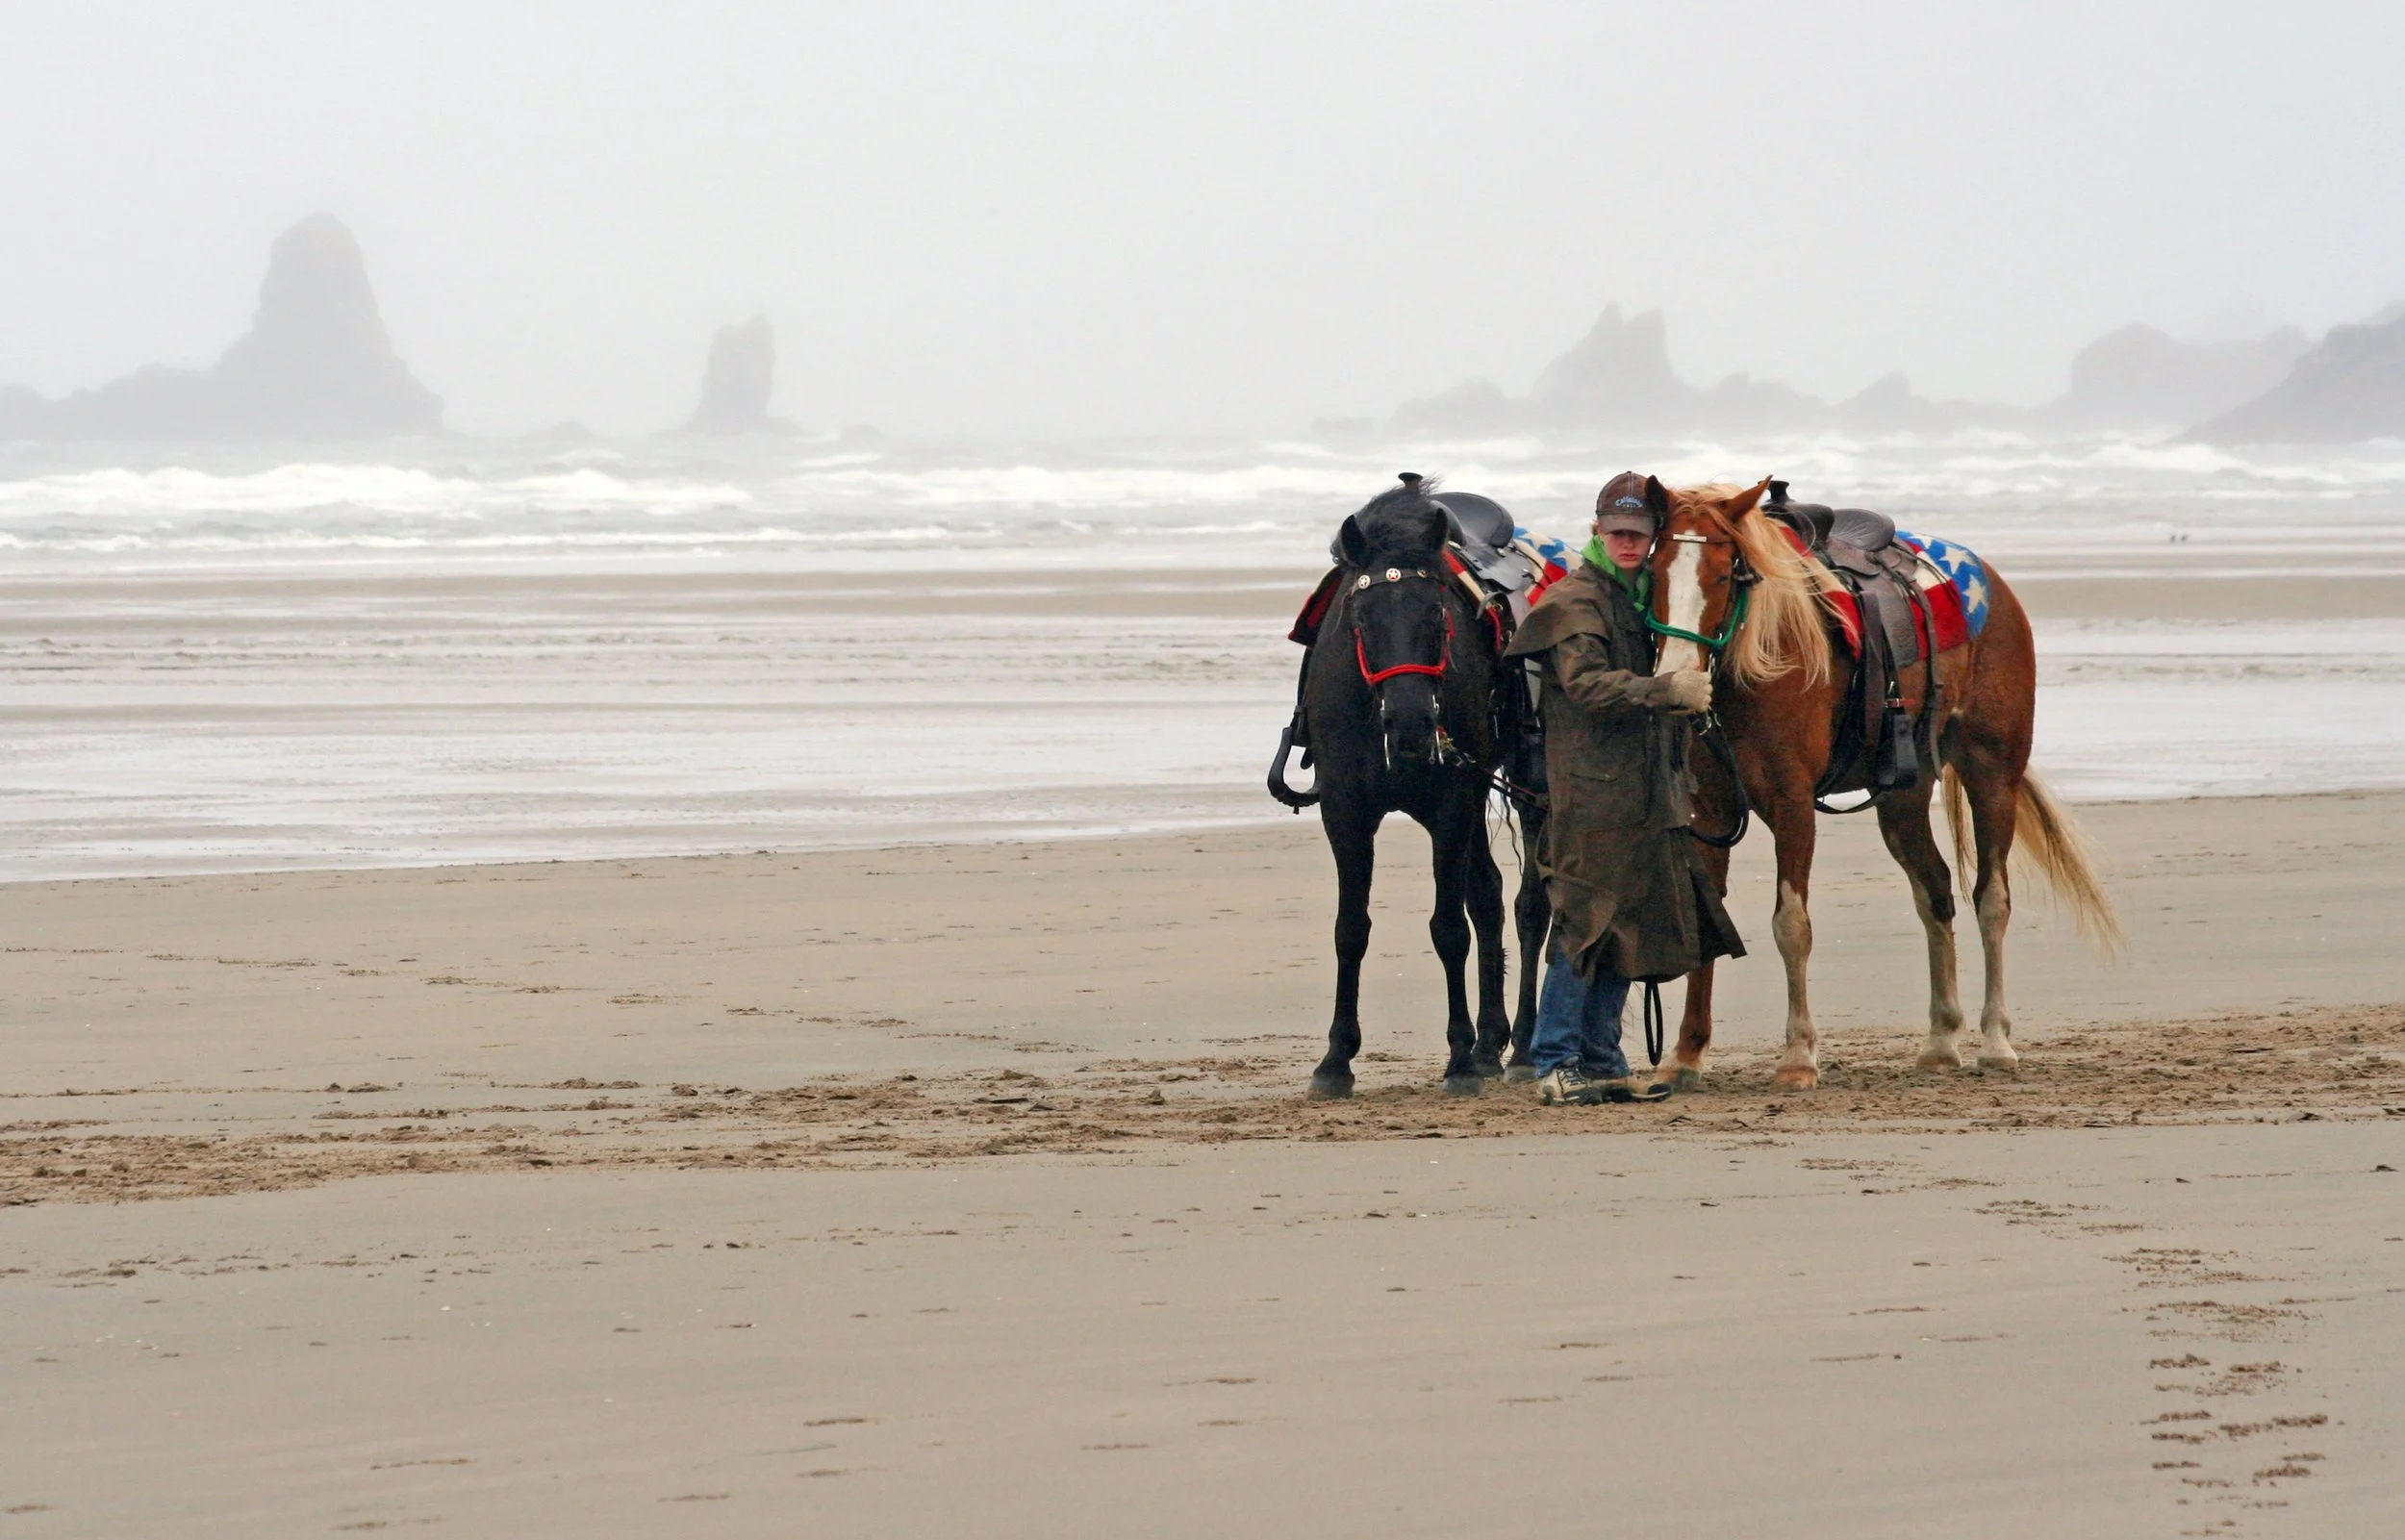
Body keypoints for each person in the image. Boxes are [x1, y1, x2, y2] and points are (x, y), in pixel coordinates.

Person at [1503, 472, 1748, 1106]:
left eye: (1639, 533)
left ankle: (1604, 1057)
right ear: (1598, 533)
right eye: (1618, 532)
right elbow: (1584, 685)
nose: (1629, 542)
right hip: (1589, 790)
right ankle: (1556, 1058)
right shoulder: (1573, 602)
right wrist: (1664, 691)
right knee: (1584, 922)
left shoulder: (1638, 598)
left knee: (1626, 923)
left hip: (1644, 786)